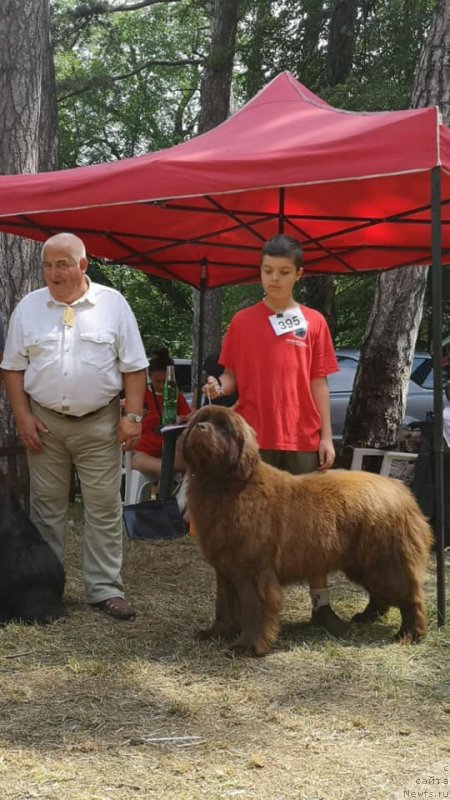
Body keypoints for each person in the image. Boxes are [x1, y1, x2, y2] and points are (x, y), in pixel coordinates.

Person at [203, 234, 346, 637]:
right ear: (259, 271)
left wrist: (327, 436)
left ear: (299, 274)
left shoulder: (314, 322)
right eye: (268, 271)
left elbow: (319, 383)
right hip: (251, 444)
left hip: (302, 438)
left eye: (284, 272)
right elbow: (231, 376)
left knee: (313, 529)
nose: (274, 279)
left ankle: (321, 607)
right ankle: (228, 616)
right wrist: (219, 387)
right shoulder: (242, 321)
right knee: (239, 531)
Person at [1, 232, 148, 621]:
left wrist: (132, 418)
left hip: (101, 424)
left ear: (83, 265)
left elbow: (134, 366)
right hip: (44, 423)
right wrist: (22, 417)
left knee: (102, 507)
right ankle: (46, 590)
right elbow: (12, 368)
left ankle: (104, 590)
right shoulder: (28, 308)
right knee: (45, 509)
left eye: (62, 264)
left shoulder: (113, 304)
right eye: (48, 265)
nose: (54, 272)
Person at [131, 348, 191, 480]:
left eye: (165, 381)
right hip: (140, 453)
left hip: (167, 451)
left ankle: (162, 489)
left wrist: (181, 420)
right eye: (158, 381)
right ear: (149, 376)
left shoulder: (176, 394)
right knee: (167, 468)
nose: (162, 385)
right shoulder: (140, 395)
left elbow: (189, 418)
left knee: (176, 465)